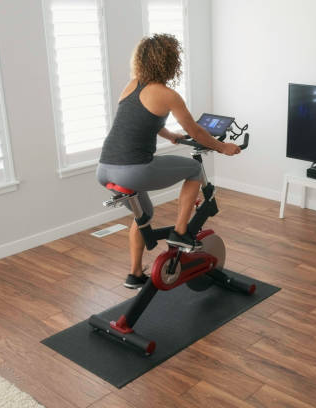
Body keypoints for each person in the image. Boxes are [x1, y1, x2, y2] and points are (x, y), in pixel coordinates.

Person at [96, 34, 241, 289]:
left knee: (144, 215)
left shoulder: (131, 86)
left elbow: (141, 121)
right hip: (134, 171)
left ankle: (134, 275)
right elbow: (196, 132)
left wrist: (170, 135)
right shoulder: (168, 95)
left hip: (105, 169)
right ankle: (182, 231)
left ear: (140, 60)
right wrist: (222, 147)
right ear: (170, 63)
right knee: (195, 168)